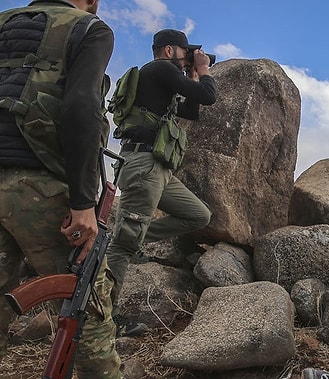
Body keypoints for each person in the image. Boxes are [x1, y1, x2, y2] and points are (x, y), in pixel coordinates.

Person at [0, 0, 122, 377]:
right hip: (38, 189)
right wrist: (84, 202)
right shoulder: (88, 27)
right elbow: (81, 106)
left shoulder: (5, 22)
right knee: (86, 321)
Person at [105, 28, 216, 336]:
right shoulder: (159, 69)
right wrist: (204, 71)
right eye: (186, 52)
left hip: (158, 170)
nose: (189, 57)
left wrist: (193, 75)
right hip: (143, 165)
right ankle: (102, 321)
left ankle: (127, 237)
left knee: (198, 215)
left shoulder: (160, 82)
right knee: (123, 246)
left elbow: (192, 111)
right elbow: (209, 96)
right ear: (169, 51)